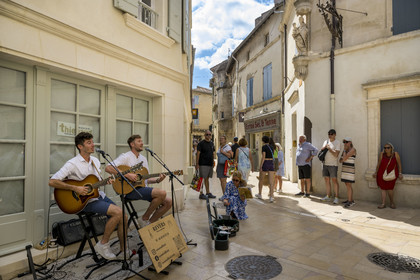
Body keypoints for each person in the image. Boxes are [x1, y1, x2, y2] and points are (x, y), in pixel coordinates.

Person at [49, 132, 126, 260]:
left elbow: (96, 183)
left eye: (92, 141)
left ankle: (124, 251)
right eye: (89, 142)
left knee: (124, 216)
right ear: (80, 146)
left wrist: (107, 180)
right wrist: (75, 188)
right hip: (83, 202)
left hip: (97, 196)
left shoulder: (95, 161)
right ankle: (103, 244)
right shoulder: (72, 163)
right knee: (117, 212)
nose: (93, 145)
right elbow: (52, 181)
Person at [105, 135, 171, 227]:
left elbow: (145, 179)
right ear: (132, 144)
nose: (142, 143)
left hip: (141, 188)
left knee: (168, 202)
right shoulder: (125, 156)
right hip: (128, 190)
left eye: (142, 141)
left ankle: (148, 224)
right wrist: (128, 175)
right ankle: (144, 218)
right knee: (162, 193)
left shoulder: (143, 159)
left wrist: (158, 180)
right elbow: (108, 168)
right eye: (139, 141)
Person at [373, 142, 403, 209]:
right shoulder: (382, 154)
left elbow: (399, 164)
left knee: (390, 189)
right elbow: (379, 164)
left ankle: (392, 202)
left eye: (388, 147)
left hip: (391, 174)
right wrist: (376, 172)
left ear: (391, 148)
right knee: (383, 189)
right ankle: (383, 203)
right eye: (385, 148)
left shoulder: (395, 154)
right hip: (382, 173)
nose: (386, 149)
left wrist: (400, 173)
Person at [320, 129, 341, 204]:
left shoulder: (337, 142)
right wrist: (324, 147)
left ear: (335, 134)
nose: (330, 135)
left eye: (331, 134)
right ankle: (328, 196)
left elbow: (336, 154)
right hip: (325, 163)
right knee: (326, 180)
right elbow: (321, 150)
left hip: (333, 164)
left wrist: (329, 149)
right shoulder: (326, 141)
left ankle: (336, 197)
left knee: (334, 180)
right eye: (329, 134)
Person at [196, 130, 216, 200]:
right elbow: (198, 154)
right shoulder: (201, 143)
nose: (208, 136)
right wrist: (197, 164)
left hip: (209, 163)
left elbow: (213, 153)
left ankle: (208, 192)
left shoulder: (212, 143)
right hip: (202, 163)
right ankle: (201, 193)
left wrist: (213, 161)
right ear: (204, 135)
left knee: (207, 179)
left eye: (209, 134)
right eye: (207, 134)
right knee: (201, 178)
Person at [255, 136, 276, 202]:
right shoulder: (272, 147)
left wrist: (260, 166)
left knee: (261, 179)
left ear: (263, 141)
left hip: (266, 162)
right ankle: (271, 196)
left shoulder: (264, 147)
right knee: (271, 181)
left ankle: (260, 194)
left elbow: (263, 156)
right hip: (271, 162)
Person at [339, 137, 356, 208]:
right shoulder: (345, 150)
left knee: (349, 185)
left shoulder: (353, 149)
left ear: (350, 142)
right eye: (344, 142)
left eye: (346, 142)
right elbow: (340, 160)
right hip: (345, 168)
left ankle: (350, 201)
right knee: (347, 184)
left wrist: (345, 152)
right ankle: (350, 199)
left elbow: (345, 158)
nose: (345, 143)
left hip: (350, 170)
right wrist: (344, 154)